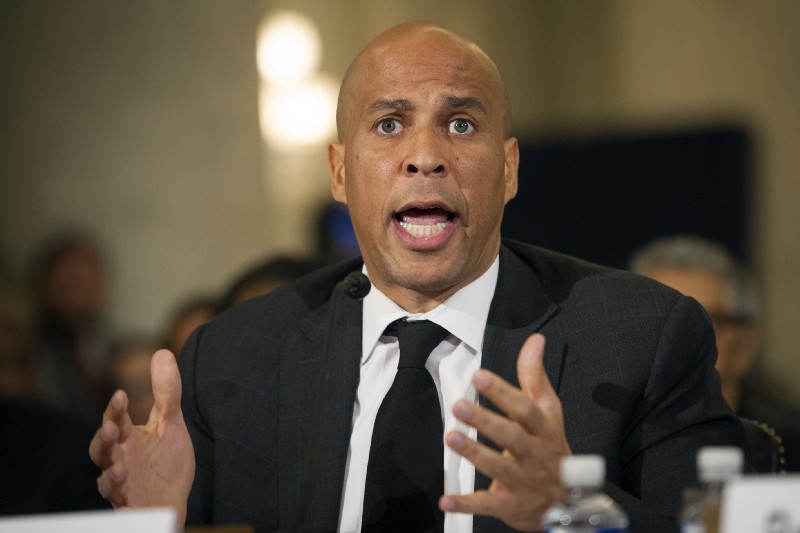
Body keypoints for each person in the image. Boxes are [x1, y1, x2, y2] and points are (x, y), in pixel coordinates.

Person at [90, 21, 750, 533]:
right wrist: (160, 524)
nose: (425, 157)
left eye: (460, 124)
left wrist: (569, 510)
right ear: (340, 173)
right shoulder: (235, 360)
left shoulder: (643, 337)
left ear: (510, 168)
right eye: (390, 124)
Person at [630, 234, 800, 471]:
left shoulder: (789, 446)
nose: (674, 344)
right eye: (656, 325)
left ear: (746, 345)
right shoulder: (602, 444)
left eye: (704, 324)